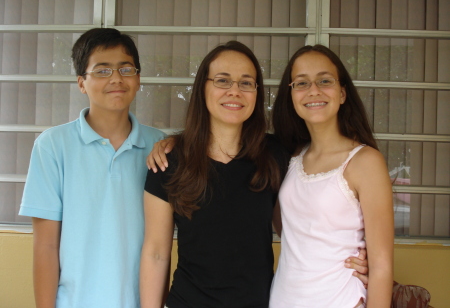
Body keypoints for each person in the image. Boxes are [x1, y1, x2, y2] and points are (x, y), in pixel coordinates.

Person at [141, 41, 369, 308]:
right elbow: (156, 253)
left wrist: (355, 260)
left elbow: (306, 230)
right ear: (203, 88)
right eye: (223, 81)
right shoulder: (169, 161)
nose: (235, 91)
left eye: (246, 83)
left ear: (257, 93)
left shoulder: (277, 155)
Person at [19, 28, 165, 308]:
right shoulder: (52, 146)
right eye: (102, 70)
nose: (116, 79)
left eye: (126, 68)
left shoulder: (159, 146)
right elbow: (46, 246)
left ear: (138, 79)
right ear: (81, 83)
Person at [269, 44, 394, 308]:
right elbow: (290, 229)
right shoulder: (287, 156)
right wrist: (176, 143)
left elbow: (382, 266)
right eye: (301, 83)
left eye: (324, 81)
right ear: (290, 96)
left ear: (342, 93)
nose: (313, 90)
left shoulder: (365, 162)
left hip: (340, 300)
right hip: (283, 299)